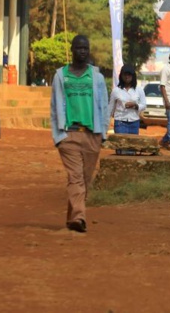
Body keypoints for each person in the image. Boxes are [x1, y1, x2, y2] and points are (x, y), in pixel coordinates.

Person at [50, 35, 109, 233]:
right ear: (72, 49)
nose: (82, 51)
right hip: (69, 134)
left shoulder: (97, 77)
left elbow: (103, 106)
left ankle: (72, 217)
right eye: (79, 48)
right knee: (75, 177)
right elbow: (53, 107)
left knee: (84, 179)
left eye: (86, 48)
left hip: (92, 134)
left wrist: (103, 134)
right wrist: (58, 136)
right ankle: (79, 217)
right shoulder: (61, 76)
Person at [109, 65, 146, 138]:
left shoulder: (139, 90)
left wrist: (135, 105)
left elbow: (144, 105)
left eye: (129, 74)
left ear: (133, 76)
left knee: (132, 147)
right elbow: (110, 108)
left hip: (134, 123)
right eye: (124, 74)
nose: (127, 77)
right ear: (121, 76)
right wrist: (105, 124)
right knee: (121, 146)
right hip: (120, 122)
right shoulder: (116, 90)